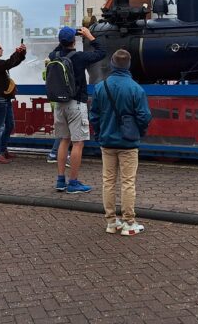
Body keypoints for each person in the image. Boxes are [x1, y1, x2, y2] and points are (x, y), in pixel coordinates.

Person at [89, 49, 152, 236]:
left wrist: (100, 134)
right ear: (129, 65)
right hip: (128, 143)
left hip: (107, 142)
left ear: (113, 64)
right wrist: (138, 131)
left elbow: (95, 116)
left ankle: (111, 222)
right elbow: (145, 116)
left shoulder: (101, 87)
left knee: (108, 181)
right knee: (128, 182)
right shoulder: (135, 88)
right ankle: (129, 222)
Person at [51, 26, 106, 193]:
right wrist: (90, 36)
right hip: (76, 103)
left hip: (59, 104)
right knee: (78, 143)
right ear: (74, 41)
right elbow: (101, 52)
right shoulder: (80, 57)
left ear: (60, 41)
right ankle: (73, 182)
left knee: (63, 141)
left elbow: (57, 48)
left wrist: (65, 38)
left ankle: (61, 181)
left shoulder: (54, 56)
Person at [0, 41, 27, 163]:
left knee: (10, 125)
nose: (2, 50)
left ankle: (2, 150)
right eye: (0, 48)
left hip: (5, 97)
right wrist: (17, 52)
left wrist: (21, 53)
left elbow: (13, 63)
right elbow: (8, 63)